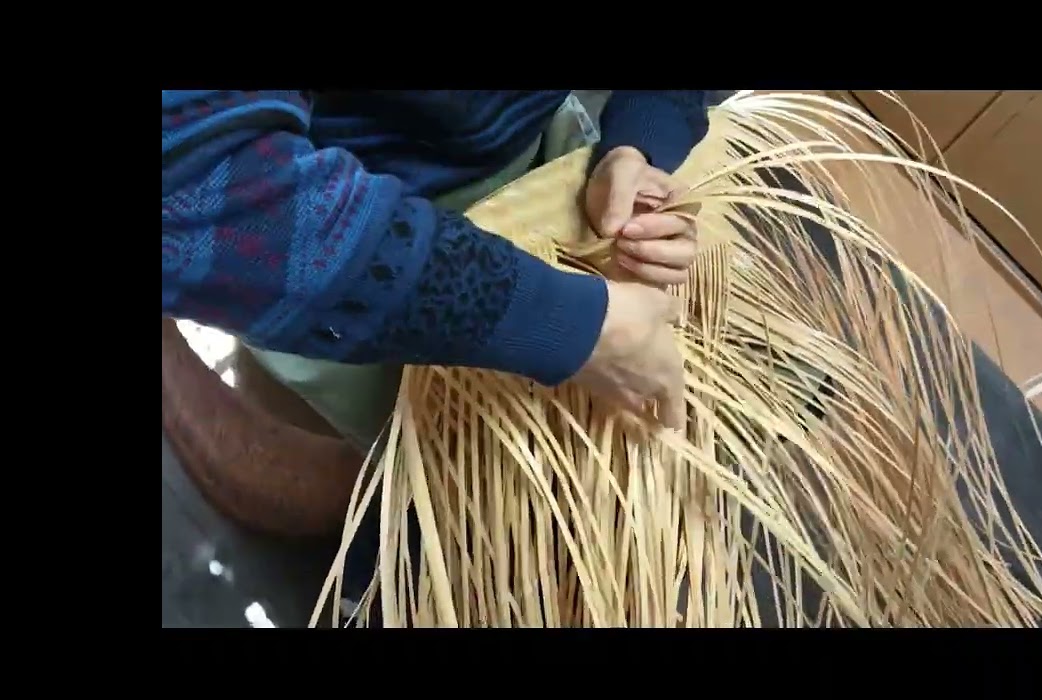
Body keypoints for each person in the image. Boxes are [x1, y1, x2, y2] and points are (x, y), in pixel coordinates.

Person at [162, 90, 712, 622]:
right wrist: (568, 324)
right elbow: (192, 184)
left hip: (547, 172)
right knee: (412, 506)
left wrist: (640, 141)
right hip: (346, 231)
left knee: (550, 514)